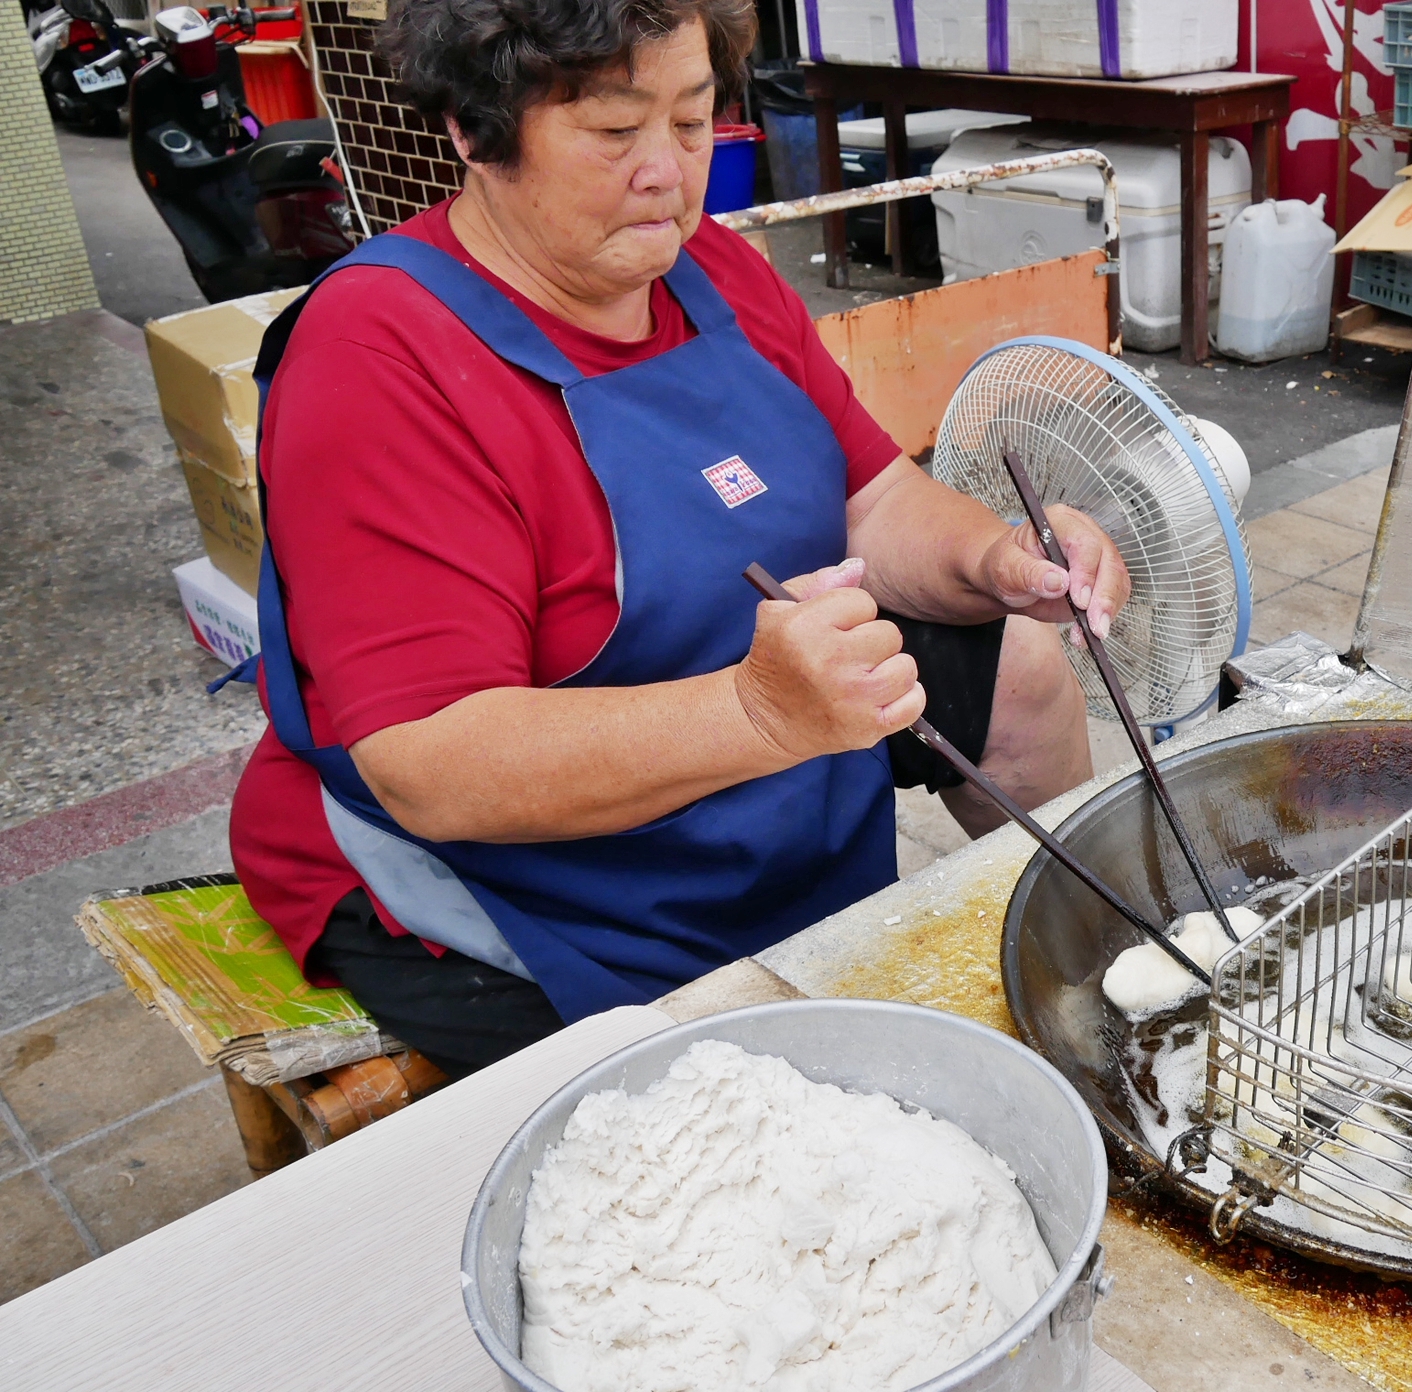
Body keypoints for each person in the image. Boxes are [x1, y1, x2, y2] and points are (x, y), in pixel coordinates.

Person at [227, 0, 1129, 1077]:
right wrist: (753, 713)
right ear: (473, 130)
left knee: (1018, 660)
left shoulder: (708, 270)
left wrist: (995, 560)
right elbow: (433, 766)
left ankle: (1097, 979)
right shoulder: (379, 360)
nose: (668, 173)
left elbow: (875, 501)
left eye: (694, 122)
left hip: (753, 749)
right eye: (614, 132)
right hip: (516, 873)